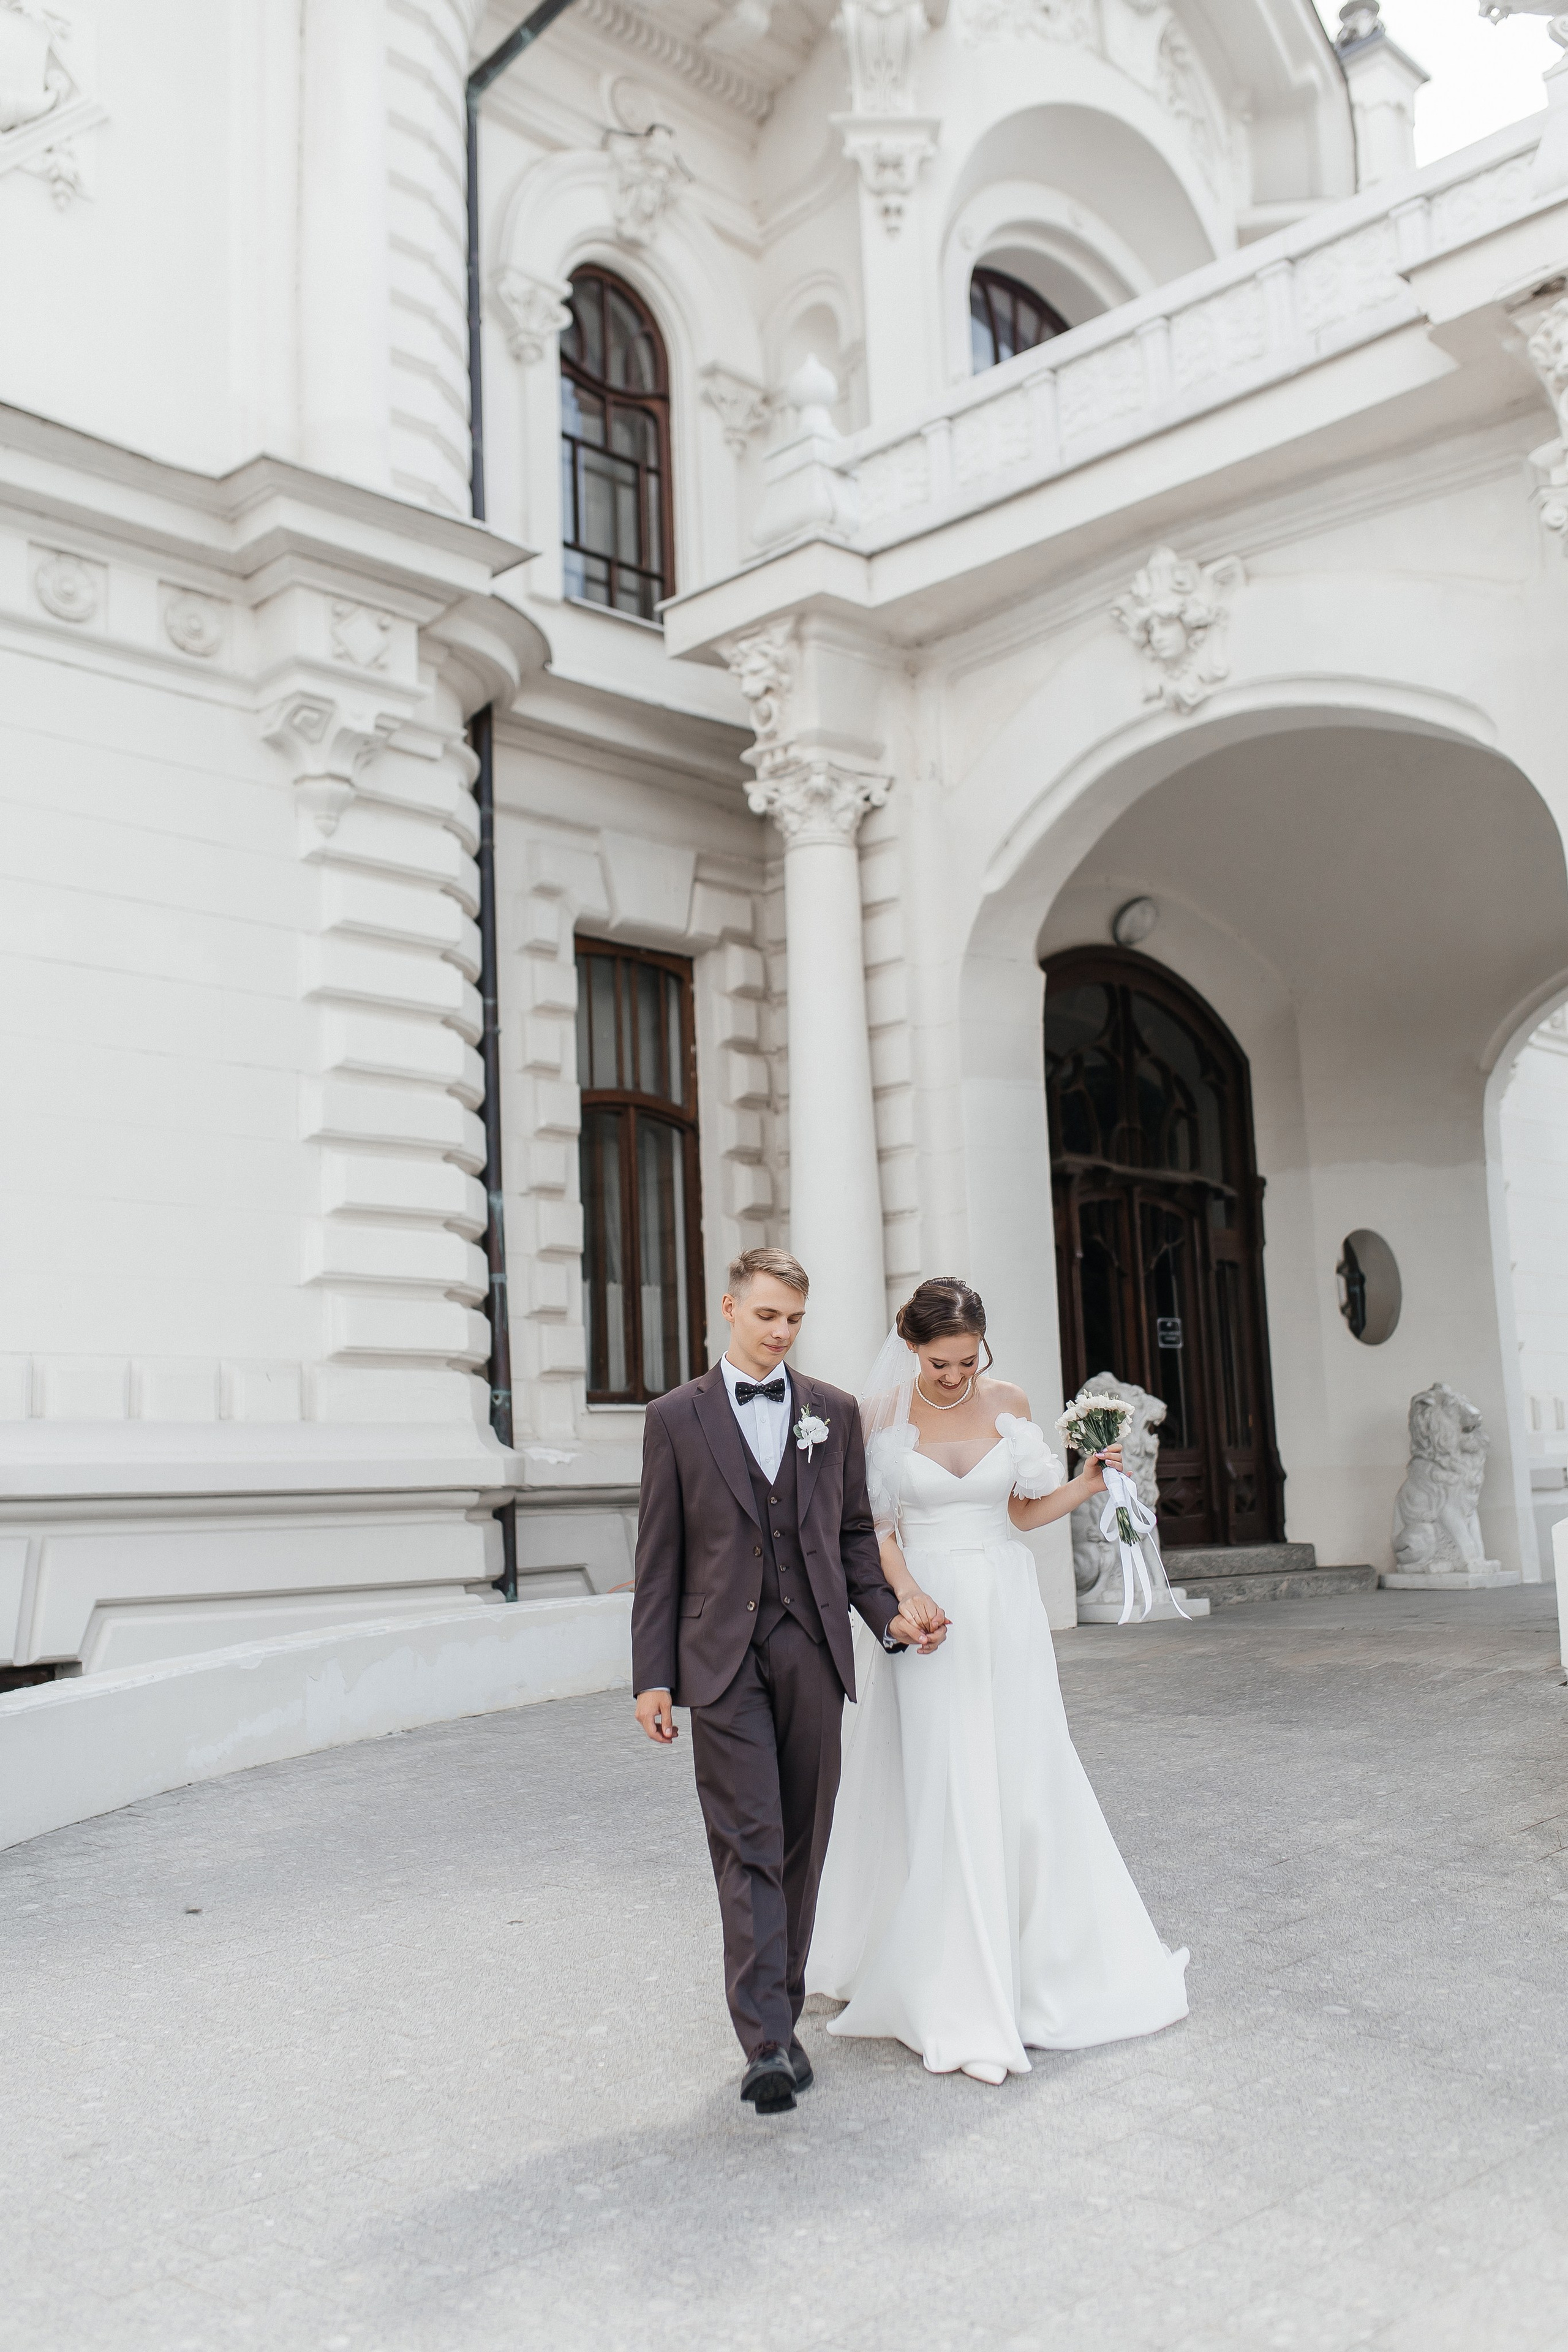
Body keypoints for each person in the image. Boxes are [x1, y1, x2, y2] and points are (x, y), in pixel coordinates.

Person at [807, 1277, 1190, 2083]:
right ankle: (944, 1971)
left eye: (969, 1361)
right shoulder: (879, 1417)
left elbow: (1018, 1514)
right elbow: (875, 1532)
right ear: (912, 1349)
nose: (957, 1378)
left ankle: (1028, 1964)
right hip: (927, 1612)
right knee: (941, 1777)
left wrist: (1085, 1485)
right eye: (942, 1364)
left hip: (1004, 1610)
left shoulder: (1007, 1398)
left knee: (1017, 1772)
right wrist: (907, 1596)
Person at [630, 1248, 948, 2114]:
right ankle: (766, 2040)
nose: (780, 1332)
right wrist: (651, 1677)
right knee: (749, 1840)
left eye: (794, 1320)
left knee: (803, 1837)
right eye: (767, 1315)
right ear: (731, 1308)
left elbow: (853, 1538)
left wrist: (887, 1613)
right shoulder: (675, 1418)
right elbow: (659, 1558)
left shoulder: (832, 1414)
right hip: (719, 1663)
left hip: (810, 1647)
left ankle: (784, 2004)